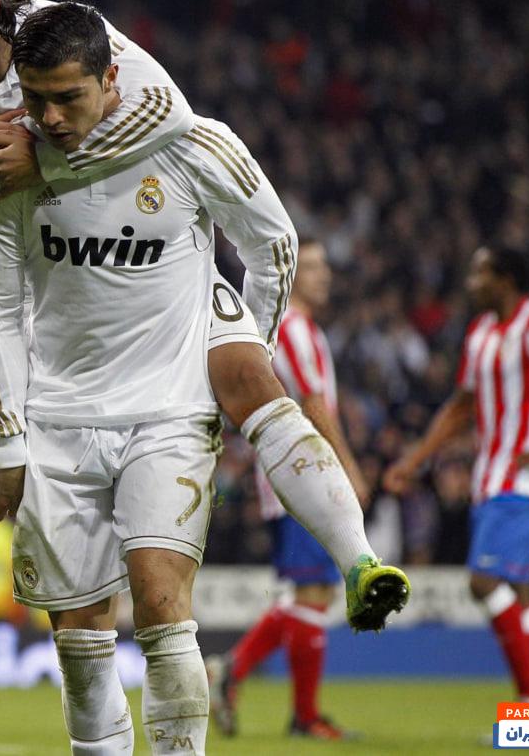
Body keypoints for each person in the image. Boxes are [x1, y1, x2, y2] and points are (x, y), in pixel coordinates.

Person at [0, 0, 409, 713]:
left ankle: (359, 561)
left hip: (163, 279)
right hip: (52, 286)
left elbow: (169, 116)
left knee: (246, 371)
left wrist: (41, 155)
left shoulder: (73, 34)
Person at [384, 245, 529, 702]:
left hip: (522, 479)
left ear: (505, 280)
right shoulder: (480, 332)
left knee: (483, 580)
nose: (471, 283)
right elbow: (461, 406)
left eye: (480, 274)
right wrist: (414, 460)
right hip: (489, 479)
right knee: (518, 592)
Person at [206, 238, 369, 740]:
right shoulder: (293, 329)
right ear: (292, 274)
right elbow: (313, 406)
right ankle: (303, 715)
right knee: (312, 592)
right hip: (303, 478)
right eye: (313, 267)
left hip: (299, 477)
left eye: (325, 267)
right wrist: (348, 469)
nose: (324, 276)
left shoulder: (306, 329)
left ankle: (234, 671)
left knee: (310, 592)